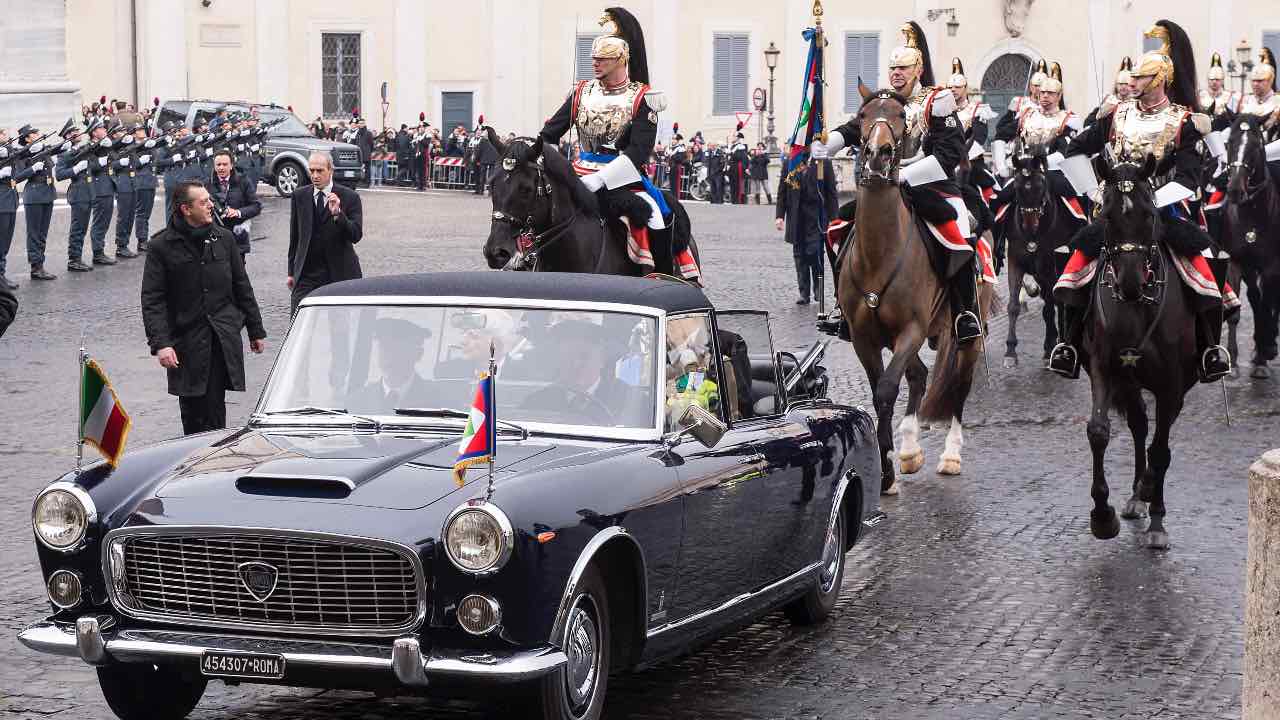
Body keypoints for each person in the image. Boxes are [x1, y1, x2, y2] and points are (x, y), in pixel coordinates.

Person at [1049, 19, 1230, 383]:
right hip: (1115, 210)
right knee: (1073, 261)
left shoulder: (1183, 122)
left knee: (1206, 264)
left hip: (1164, 210)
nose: (1132, 83)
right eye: (1133, 78)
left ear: (1159, 79)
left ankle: (1210, 346)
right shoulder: (1116, 113)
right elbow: (1074, 151)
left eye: (1140, 79)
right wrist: (1097, 191)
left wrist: (1149, 202)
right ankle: (1067, 343)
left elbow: (1188, 178)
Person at [812, 21, 982, 344]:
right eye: (892, 68)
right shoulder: (884, 103)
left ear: (917, 68)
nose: (896, 73)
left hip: (930, 185)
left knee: (960, 232)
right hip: (885, 191)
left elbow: (949, 154)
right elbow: (852, 129)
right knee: (836, 231)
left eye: (903, 67)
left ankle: (964, 312)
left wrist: (904, 175)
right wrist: (827, 144)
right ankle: (844, 308)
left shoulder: (937, 101)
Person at [537, 6, 700, 281]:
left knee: (655, 215)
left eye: (602, 59)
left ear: (620, 60)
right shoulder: (581, 93)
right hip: (579, 170)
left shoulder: (643, 98)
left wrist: (600, 180)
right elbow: (549, 133)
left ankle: (662, 275)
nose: (595, 63)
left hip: (621, 176)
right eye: (594, 58)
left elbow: (637, 152)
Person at [141, 180, 266, 435]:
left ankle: (212, 464)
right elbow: (153, 299)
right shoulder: (161, 247)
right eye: (204, 202)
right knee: (193, 414)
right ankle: (195, 466)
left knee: (215, 412)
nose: (211, 205)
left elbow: (242, 286)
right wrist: (161, 344)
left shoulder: (225, 239)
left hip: (220, 339)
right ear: (186, 209)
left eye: (210, 199)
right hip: (186, 344)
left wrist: (255, 330)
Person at [287, 151, 364, 315]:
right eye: (311, 170)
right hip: (306, 274)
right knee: (298, 324)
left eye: (320, 171)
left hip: (338, 274)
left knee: (338, 327)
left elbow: (356, 235)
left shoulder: (350, 197)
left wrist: (338, 214)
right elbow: (295, 238)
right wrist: (291, 272)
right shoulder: (299, 196)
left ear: (331, 171)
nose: (315, 175)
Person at [776, 158, 837, 305]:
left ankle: (818, 288)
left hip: (816, 216)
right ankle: (804, 293)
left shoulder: (823, 163)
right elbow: (782, 191)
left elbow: (831, 193)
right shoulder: (790, 164)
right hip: (796, 216)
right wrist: (779, 216)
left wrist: (834, 219)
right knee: (799, 255)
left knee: (815, 252)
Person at [349, 317, 434, 413]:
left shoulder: (437, 402)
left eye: (399, 349)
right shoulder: (357, 402)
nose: (390, 357)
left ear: (418, 354)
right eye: (385, 347)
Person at [13, 125, 57, 282]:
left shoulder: (41, 149)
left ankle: (41, 264)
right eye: (34, 133)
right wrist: (32, 169)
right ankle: (36, 267)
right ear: (27, 138)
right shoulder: (22, 154)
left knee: (42, 233)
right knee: (34, 233)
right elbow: (16, 177)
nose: (38, 134)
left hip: (48, 193)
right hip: (34, 195)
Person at [54, 122, 93, 277]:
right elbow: (60, 174)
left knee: (82, 228)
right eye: (75, 131)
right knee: (77, 228)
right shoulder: (64, 154)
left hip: (87, 192)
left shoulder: (81, 149)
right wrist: (75, 169)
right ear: (68, 135)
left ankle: (78, 257)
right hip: (78, 193)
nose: (78, 133)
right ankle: (73, 259)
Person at [209, 150, 261, 257]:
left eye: (225, 164)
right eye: (218, 165)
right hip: (215, 238)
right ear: (214, 166)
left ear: (231, 165)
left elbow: (256, 206)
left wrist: (237, 212)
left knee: (238, 272)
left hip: (238, 238)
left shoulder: (243, 181)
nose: (221, 168)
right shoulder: (206, 184)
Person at [109, 122, 140, 259]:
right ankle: (120, 246)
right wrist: (119, 164)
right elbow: (110, 164)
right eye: (120, 131)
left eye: (123, 131)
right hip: (123, 183)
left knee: (130, 215)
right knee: (124, 216)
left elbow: (136, 162)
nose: (123, 133)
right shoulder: (112, 147)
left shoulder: (128, 145)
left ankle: (125, 243)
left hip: (133, 182)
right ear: (114, 134)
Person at [131, 124, 158, 252]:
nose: (142, 132)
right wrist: (141, 160)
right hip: (141, 182)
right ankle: (142, 240)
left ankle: (144, 238)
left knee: (147, 212)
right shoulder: (132, 147)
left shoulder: (148, 144)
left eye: (143, 129)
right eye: (139, 130)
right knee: (142, 212)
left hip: (150, 181)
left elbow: (156, 159)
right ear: (134, 133)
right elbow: (132, 163)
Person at [0, 127, 18, 289]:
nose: (7, 136)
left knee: (6, 242)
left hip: (10, 201)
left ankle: (1, 274)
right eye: (3, 134)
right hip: (1, 203)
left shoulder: (8, 152)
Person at [354, 118, 375, 187]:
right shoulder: (358, 133)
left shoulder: (368, 133)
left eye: (362, 123)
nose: (361, 125)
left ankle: (367, 182)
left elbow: (371, 144)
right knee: (359, 169)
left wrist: (369, 151)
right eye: (359, 123)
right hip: (359, 153)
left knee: (367, 169)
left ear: (365, 124)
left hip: (366, 153)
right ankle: (360, 181)